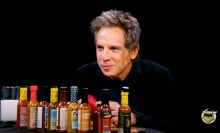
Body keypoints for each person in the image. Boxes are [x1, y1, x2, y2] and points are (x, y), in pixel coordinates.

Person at [71, 9, 181, 132]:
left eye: (114, 48)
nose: (104, 57)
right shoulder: (83, 75)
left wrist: (135, 118)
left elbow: (173, 124)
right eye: (100, 48)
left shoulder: (157, 76)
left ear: (133, 51)